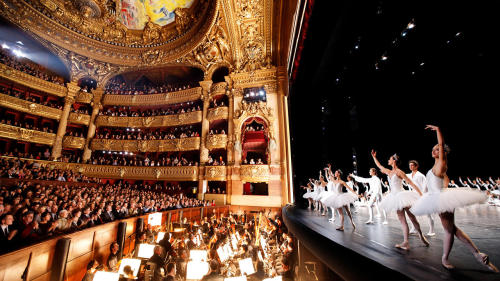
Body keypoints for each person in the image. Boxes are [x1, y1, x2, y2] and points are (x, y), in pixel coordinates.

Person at [410, 125, 496, 271]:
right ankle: (478, 254)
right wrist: (443, 186)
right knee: (452, 229)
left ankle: (449, 257)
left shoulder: (441, 162)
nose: (434, 150)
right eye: (434, 148)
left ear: (442, 152)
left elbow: (442, 146)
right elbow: (444, 179)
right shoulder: (437, 165)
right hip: (437, 197)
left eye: (437, 149)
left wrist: (437, 130)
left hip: (440, 199)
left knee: (449, 230)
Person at [371, 150, 429, 250]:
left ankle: (421, 235)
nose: (388, 160)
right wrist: (374, 157)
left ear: (394, 160)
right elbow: (379, 166)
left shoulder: (399, 172)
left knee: (412, 217)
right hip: (394, 197)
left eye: (390, 159)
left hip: (402, 196)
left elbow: (411, 183)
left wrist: (421, 194)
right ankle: (406, 242)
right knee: (402, 220)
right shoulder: (389, 172)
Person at [405, 160, 435, 236]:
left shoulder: (421, 175)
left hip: (422, 195)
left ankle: (432, 230)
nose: (410, 166)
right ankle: (414, 228)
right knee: (413, 212)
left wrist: (422, 196)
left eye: (412, 165)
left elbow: (425, 187)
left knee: (428, 213)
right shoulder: (409, 175)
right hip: (413, 195)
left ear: (416, 166)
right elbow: (402, 176)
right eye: (410, 165)